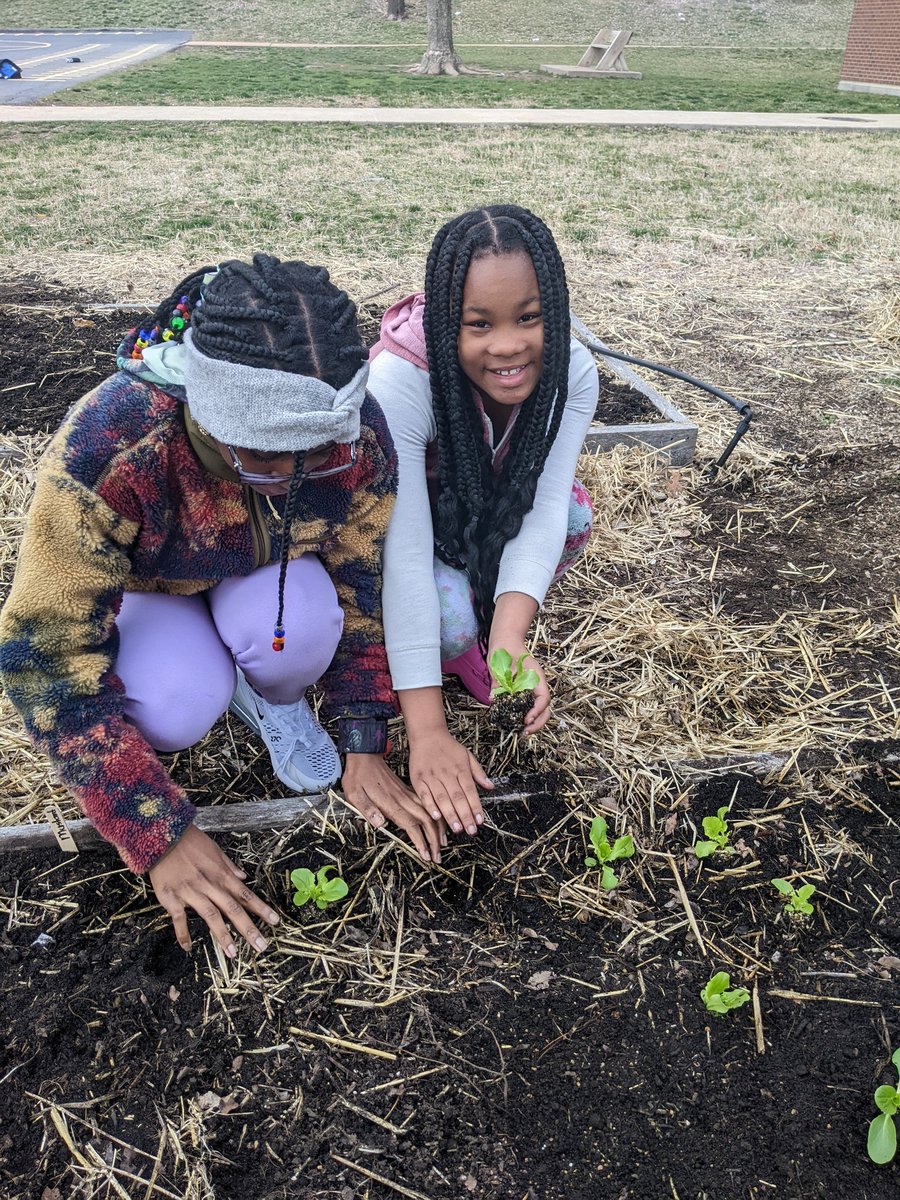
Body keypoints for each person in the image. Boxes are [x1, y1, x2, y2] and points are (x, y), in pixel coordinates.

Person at [0, 254, 444, 958]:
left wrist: (366, 736)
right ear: (207, 412)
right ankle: (218, 674)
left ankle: (274, 695)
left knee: (306, 631)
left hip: (268, 581)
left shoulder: (356, 431)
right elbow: (44, 651)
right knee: (174, 705)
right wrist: (156, 832)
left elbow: (361, 586)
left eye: (317, 456)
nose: (297, 476)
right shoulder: (113, 443)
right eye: (267, 459)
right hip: (157, 593)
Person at [368, 204, 598, 841]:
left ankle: (483, 638)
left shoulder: (572, 370)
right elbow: (403, 556)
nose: (508, 345)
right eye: (478, 325)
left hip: (486, 518)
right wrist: (429, 734)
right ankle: (447, 647)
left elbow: (545, 507)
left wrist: (512, 637)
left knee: (575, 514)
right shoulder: (398, 385)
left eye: (529, 318)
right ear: (447, 326)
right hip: (416, 531)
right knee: (441, 617)